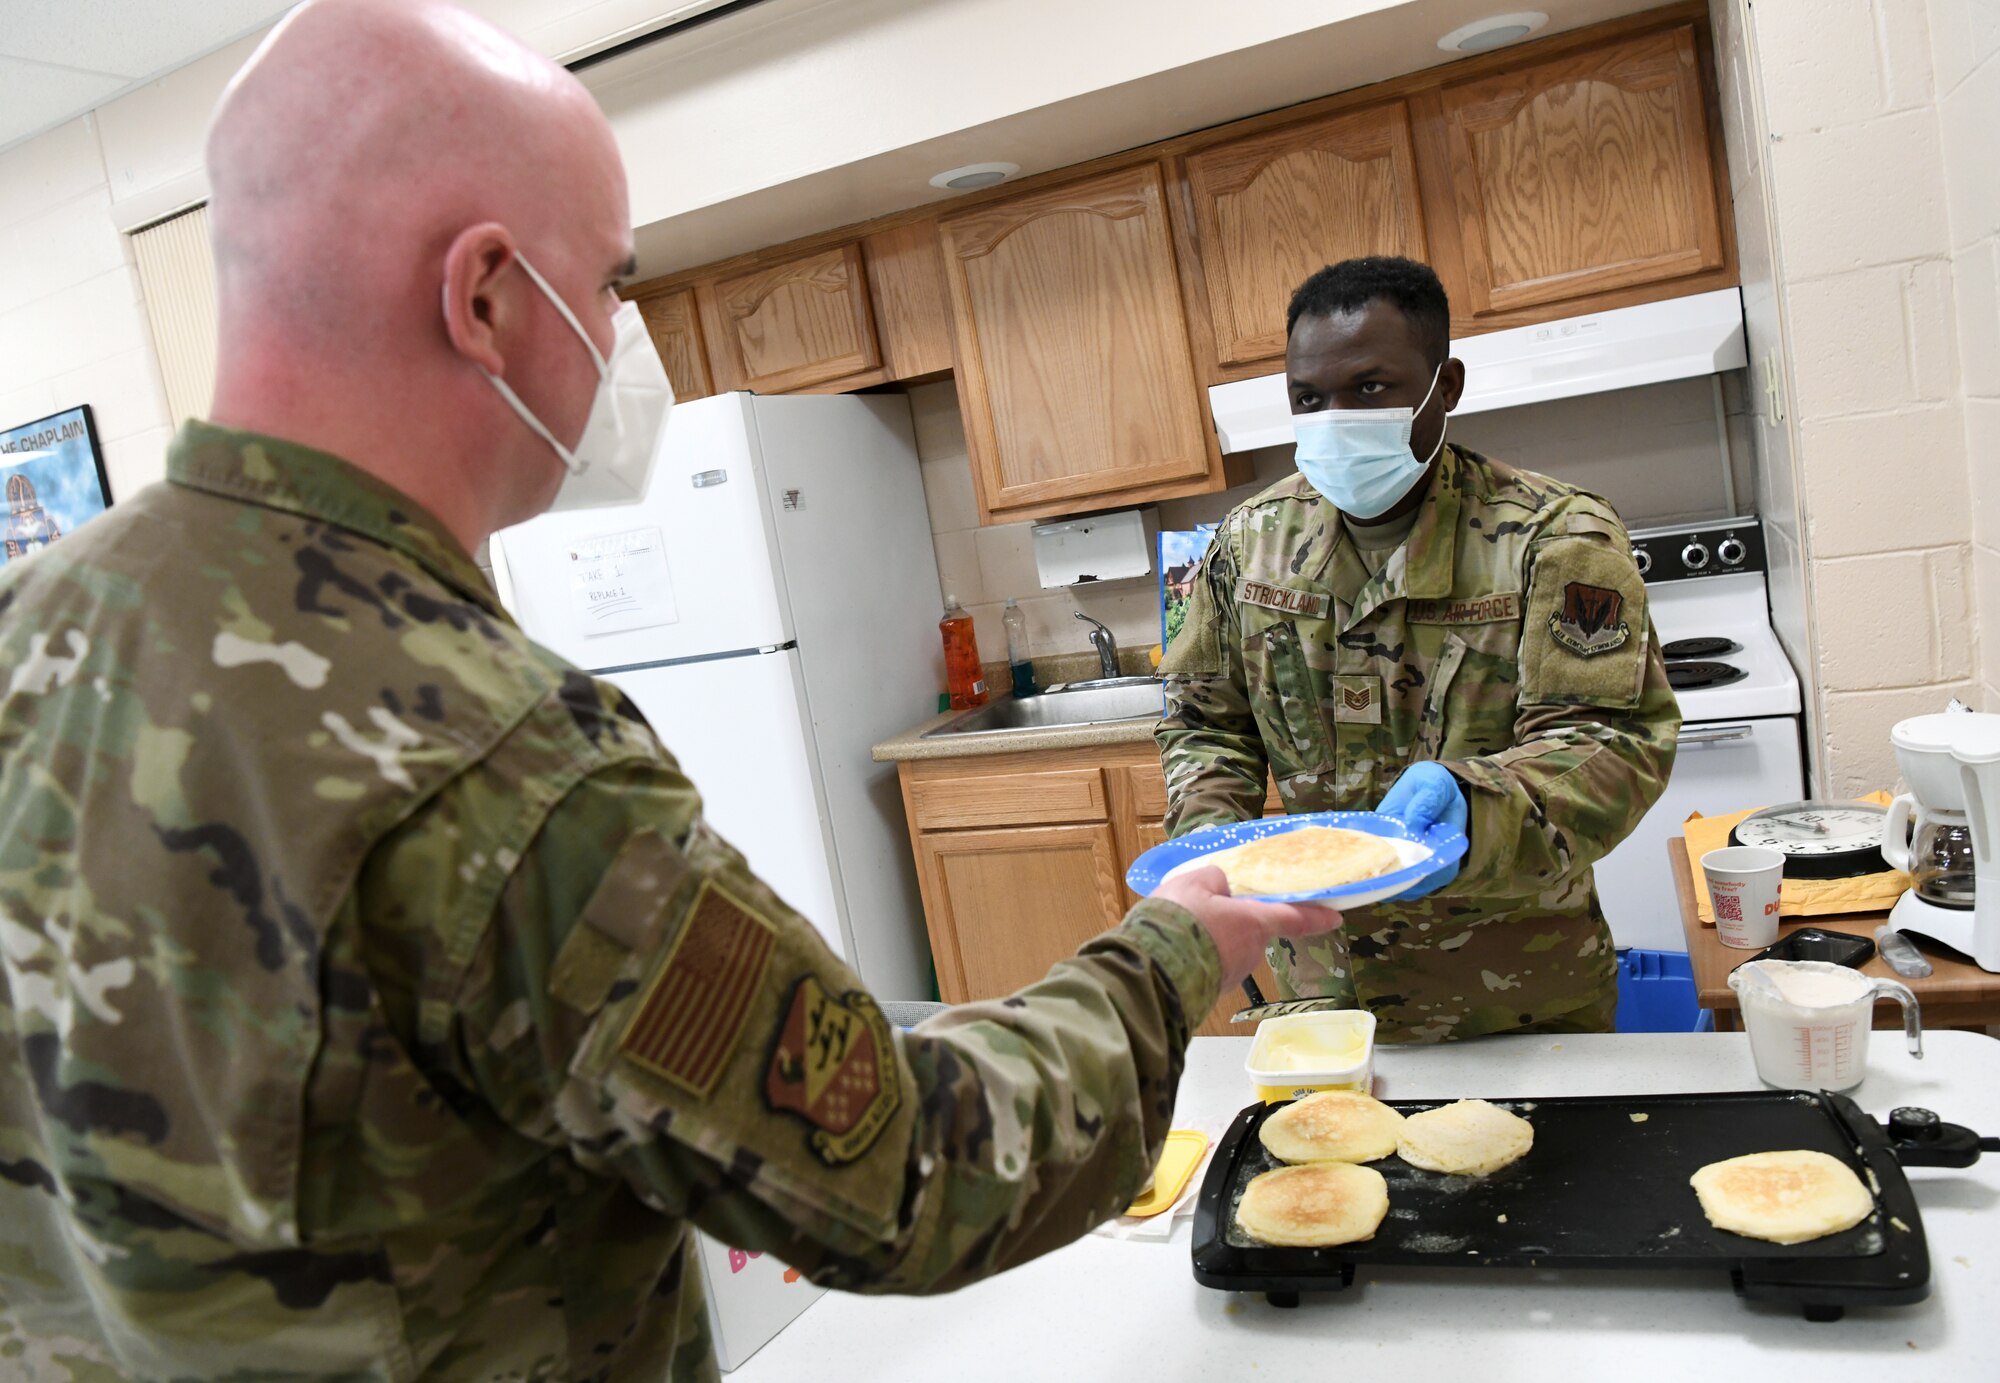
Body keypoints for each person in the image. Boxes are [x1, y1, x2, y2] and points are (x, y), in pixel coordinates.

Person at [0, 3, 1339, 1377]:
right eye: (610, 284)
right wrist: (1175, 948)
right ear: (484, 296)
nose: (624, 335)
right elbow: (910, 1170)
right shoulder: (484, 750)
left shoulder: (32, 621)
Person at [1157, 256, 1679, 1042]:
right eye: (1309, 397)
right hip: (1321, 993)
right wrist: (1208, 837)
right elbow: (1206, 724)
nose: (1335, 416)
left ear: (1447, 384)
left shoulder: (1557, 537)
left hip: (1518, 999)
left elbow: (1613, 744)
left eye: (1370, 388)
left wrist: (1476, 805)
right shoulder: (1248, 545)